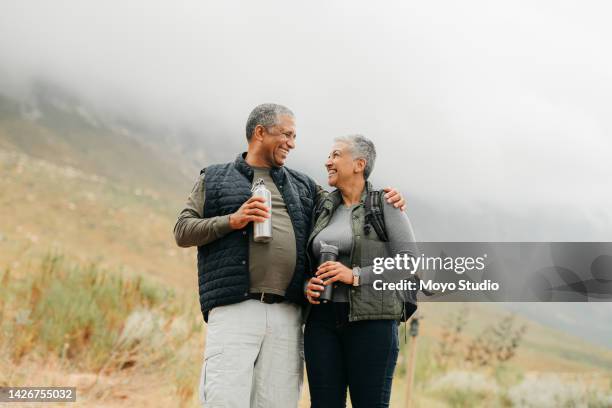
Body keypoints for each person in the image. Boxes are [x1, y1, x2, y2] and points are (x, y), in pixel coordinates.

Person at [173, 104, 406, 408]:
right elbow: (182, 229)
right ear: (260, 132)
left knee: (278, 401)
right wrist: (233, 220)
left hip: (288, 313)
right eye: (286, 134)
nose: (292, 143)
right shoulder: (214, 179)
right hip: (234, 309)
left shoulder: (304, 186)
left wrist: (387, 198)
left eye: (294, 136)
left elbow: (349, 202)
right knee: (224, 399)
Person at [304, 134, 418, 408]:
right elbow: (306, 261)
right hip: (321, 321)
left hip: (373, 323)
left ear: (359, 164)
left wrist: (355, 275)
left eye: (335, 155)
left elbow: (408, 261)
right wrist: (306, 284)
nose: (327, 161)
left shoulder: (385, 205)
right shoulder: (322, 207)